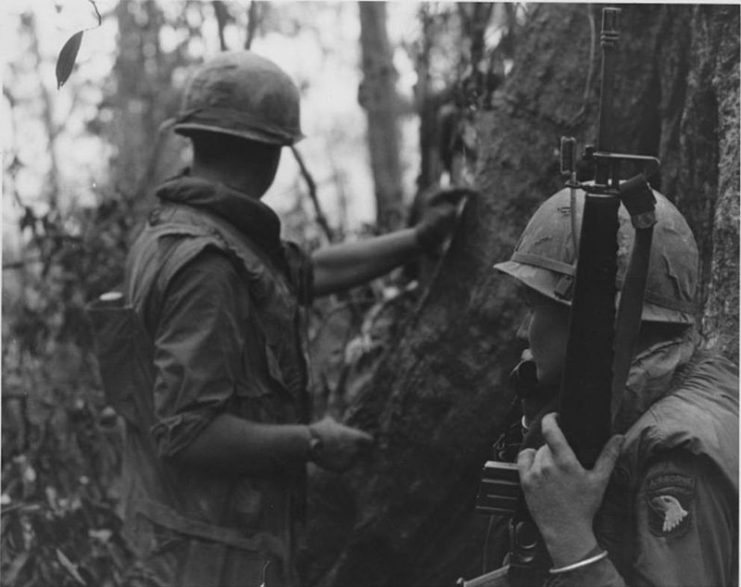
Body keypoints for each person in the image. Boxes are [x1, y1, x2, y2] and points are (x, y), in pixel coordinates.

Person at [102, 51, 468, 587]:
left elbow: (305, 272)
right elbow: (189, 434)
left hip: (189, 539)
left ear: (196, 139)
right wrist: (312, 442)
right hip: (209, 559)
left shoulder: (190, 233)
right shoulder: (207, 265)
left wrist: (417, 240)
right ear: (270, 153)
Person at [492, 186, 738, 586]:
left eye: (533, 306)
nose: (523, 330)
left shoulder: (674, 451)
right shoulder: (673, 398)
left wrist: (570, 536)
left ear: (590, 325)